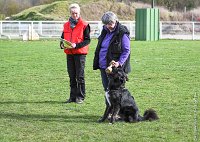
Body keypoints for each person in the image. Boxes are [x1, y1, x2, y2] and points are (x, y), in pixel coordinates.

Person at [93, 11, 131, 95]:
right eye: (106, 24)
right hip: (104, 66)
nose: (108, 26)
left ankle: (118, 108)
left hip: (115, 69)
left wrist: (119, 63)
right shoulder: (105, 31)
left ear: (115, 21)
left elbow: (126, 50)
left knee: (116, 92)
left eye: (110, 23)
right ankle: (109, 107)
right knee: (107, 90)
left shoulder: (122, 32)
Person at [60, 3, 91, 104]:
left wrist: (76, 45)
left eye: (76, 13)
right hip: (69, 54)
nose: (75, 15)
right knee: (72, 76)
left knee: (80, 76)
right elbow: (62, 38)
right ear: (70, 13)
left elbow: (87, 40)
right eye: (73, 13)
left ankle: (81, 97)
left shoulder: (84, 25)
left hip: (80, 54)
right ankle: (72, 97)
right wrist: (62, 44)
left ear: (79, 13)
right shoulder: (66, 25)